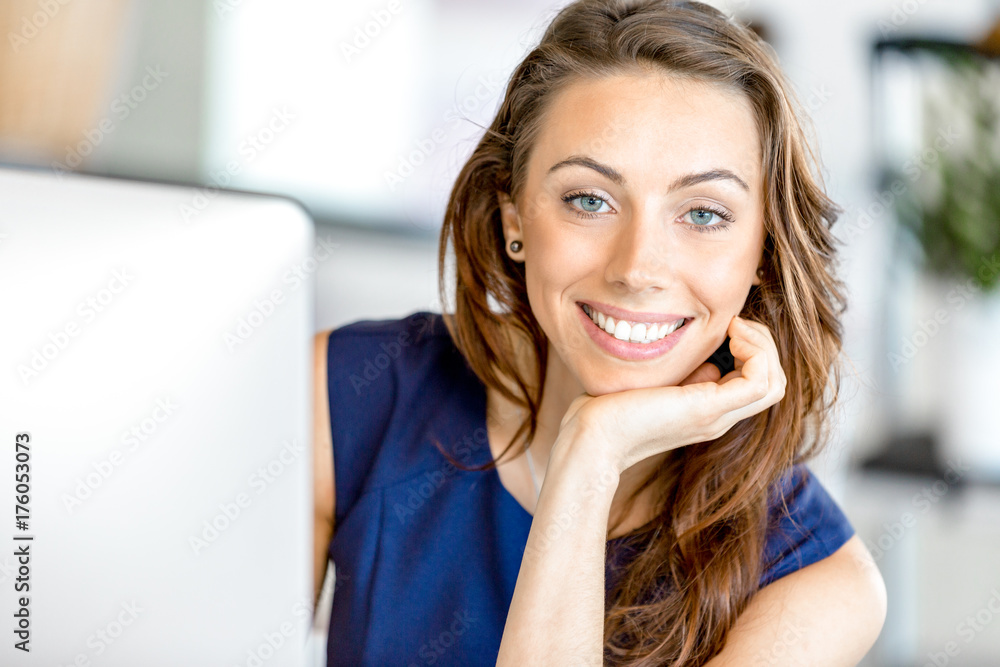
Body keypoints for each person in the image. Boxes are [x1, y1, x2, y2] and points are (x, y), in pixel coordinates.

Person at [313, 0, 887, 664]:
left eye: (703, 212)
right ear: (513, 220)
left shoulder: (818, 581)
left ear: (762, 250)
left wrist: (591, 448)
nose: (638, 267)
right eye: (590, 200)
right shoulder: (349, 398)